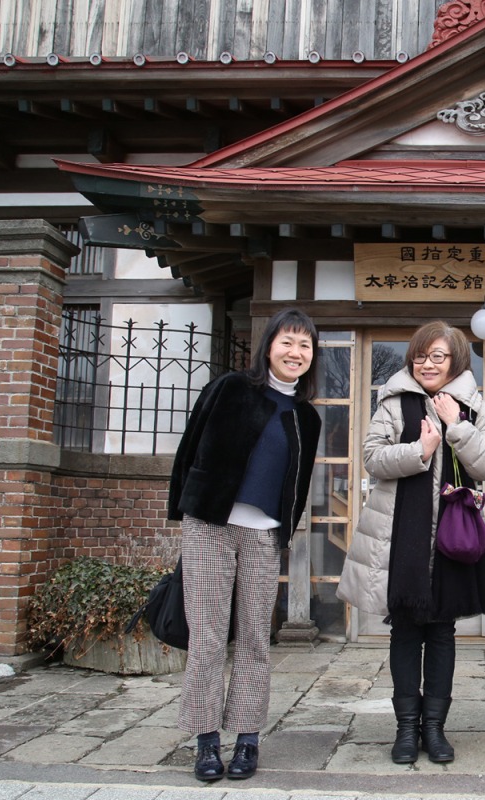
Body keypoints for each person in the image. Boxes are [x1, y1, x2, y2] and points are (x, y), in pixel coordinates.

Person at [337, 321, 485, 765]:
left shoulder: (474, 406)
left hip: (452, 540)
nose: (427, 364)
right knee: (407, 631)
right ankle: (406, 729)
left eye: (437, 357)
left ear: (456, 361)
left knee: (443, 633)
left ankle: (435, 729)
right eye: (420, 356)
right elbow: (372, 458)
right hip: (401, 539)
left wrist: (456, 427)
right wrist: (420, 451)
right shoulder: (393, 402)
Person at [167, 307, 322, 783]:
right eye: (287, 342)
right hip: (210, 525)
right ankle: (206, 740)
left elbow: (297, 484)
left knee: (256, 638)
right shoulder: (231, 388)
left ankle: (248, 738)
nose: (295, 352)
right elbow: (189, 448)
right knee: (208, 638)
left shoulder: (307, 418)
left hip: (263, 535)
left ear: (312, 356)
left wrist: (284, 533)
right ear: (268, 346)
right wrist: (183, 507)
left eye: (304, 345)